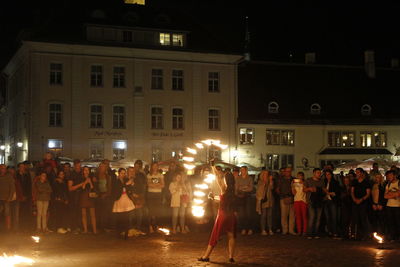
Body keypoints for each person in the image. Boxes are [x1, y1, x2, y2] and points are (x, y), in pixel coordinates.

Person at [198, 168, 237, 263]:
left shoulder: (224, 188)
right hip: (231, 215)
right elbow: (223, 199)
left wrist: (212, 166)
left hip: (222, 215)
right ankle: (231, 257)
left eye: (224, 178)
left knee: (214, 235)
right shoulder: (233, 190)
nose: (222, 179)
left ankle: (206, 256)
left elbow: (216, 176)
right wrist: (214, 197)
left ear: (226, 180)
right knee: (231, 235)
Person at [112, 168, 135, 239]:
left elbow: (129, 188)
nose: (123, 174)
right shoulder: (116, 181)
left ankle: (126, 233)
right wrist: (126, 184)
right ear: (119, 173)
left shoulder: (125, 180)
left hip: (126, 198)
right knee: (120, 216)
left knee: (127, 216)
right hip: (119, 198)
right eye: (122, 173)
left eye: (124, 173)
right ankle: (119, 232)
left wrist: (131, 184)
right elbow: (117, 189)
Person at [350, 168, 371, 240]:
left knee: (363, 218)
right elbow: (352, 191)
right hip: (355, 202)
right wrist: (354, 199)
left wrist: (361, 199)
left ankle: (365, 235)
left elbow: (368, 194)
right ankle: (354, 234)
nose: (357, 174)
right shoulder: (354, 181)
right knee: (355, 218)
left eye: (358, 172)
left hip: (363, 203)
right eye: (356, 172)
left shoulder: (366, 182)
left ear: (362, 173)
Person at [304, 168, 325, 239]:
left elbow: (323, 190)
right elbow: (304, 189)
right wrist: (310, 189)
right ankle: (309, 233)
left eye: (320, 173)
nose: (319, 174)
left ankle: (316, 233)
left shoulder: (322, 181)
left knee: (318, 218)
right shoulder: (308, 180)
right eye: (318, 173)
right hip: (311, 201)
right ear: (314, 173)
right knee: (312, 217)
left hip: (319, 201)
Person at [235, 166, 254, 235]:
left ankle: (249, 228)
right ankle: (243, 228)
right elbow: (237, 188)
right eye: (241, 170)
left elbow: (251, 188)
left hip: (248, 197)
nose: (242, 171)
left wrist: (242, 188)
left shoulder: (250, 178)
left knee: (248, 213)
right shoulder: (238, 178)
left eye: (243, 170)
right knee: (242, 214)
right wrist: (245, 187)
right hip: (240, 197)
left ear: (246, 170)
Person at [146, 162, 164, 233]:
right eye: (154, 166)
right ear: (152, 167)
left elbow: (163, 185)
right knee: (151, 211)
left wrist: (154, 184)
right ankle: (150, 226)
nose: (155, 167)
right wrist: (158, 184)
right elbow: (149, 184)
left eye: (156, 166)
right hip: (151, 194)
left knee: (157, 211)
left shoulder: (160, 175)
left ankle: (156, 225)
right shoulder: (149, 175)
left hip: (158, 194)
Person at [277, 167, 296, 235]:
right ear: (284, 172)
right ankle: (285, 230)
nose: (288, 172)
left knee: (292, 215)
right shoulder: (281, 180)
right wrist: (282, 195)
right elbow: (278, 189)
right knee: (284, 215)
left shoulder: (294, 179)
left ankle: (291, 230)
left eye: (289, 171)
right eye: (287, 171)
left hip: (292, 198)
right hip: (283, 198)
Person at [79, 166, 97, 234]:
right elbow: (82, 188)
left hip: (90, 196)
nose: (86, 171)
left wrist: (90, 182)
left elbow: (93, 187)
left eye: (87, 170)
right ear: (83, 171)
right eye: (85, 170)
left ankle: (94, 230)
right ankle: (85, 230)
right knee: (84, 214)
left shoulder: (92, 178)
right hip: (83, 196)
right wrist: (85, 182)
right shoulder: (81, 178)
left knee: (93, 214)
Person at [256, 168, 274, 235]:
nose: (266, 175)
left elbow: (272, 188)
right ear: (262, 174)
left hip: (269, 199)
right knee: (263, 215)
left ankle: (270, 229)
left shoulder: (270, 181)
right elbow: (259, 190)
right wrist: (264, 183)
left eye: (267, 174)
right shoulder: (260, 182)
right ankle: (263, 229)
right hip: (263, 200)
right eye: (265, 174)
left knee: (269, 215)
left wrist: (271, 181)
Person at [323, 170, 341, 238]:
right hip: (326, 201)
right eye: (326, 175)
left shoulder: (335, 182)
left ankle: (335, 231)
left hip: (332, 201)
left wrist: (329, 193)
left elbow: (336, 192)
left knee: (334, 217)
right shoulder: (324, 182)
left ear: (331, 175)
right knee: (327, 217)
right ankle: (329, 231)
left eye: (329, 174)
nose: (327, 176)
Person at [96, 162, 113, 232]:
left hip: (105, 196)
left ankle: (104, 226)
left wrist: (106, 194)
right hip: (98, 195)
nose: (101, 168)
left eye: (103, 167)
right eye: (100, 167)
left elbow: (109, 188)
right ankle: (99, 226)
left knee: (104, 212)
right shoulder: (96, 176)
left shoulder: (108, 177)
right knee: (98, 212)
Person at [384, 170, 400, 241]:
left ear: (394, 175)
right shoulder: (388, 184)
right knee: (390, 222)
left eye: (390, 175)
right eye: (388, 176)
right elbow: (385, 196)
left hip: (398, 206)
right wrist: (394, 195)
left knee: (398, 222)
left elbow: (398, 194)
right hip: (389, 206)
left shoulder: (399, 183)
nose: (388, 177)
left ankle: (398, 237)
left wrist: (390, 194)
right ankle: (392, 237)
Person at [131, 160, 147, 231]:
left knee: (139, 212)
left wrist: (141, 195)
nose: (135, 168)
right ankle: (132, 226)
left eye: (137, 166)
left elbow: (143, 186)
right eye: (135, 166)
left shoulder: (141, 175)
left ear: (140, 167)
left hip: (139, 195)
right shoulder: (131, 173)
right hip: (132, 195)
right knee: (132, 212)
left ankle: (138, 227)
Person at [0, 164, 16, 231]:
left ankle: (8, 227)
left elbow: (12, 187)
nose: (2, 169)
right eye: (1, 168)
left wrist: (9, 197)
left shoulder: (9, 176)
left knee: (7, 213)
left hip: (6, 198)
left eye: (4, 168)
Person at [292, 171, 307, 236]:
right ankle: (299, 231)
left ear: (303, 177)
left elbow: (305, 190)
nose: (299, 177)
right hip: (296, 200)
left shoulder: (305, 182)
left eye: (301, 176)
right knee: (298, 216)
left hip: (303, 200)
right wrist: (292, 186)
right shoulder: (294, 183)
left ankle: (304, 231)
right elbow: (293, 193)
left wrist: (303, 183)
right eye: (298, 176)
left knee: (304, 216)